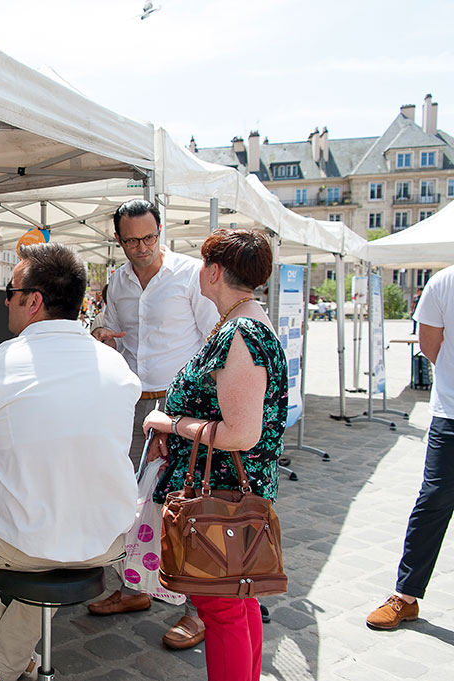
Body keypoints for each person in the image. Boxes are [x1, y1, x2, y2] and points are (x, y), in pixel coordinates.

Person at [0, 242, 140, 681]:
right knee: (48, 545)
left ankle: (5, 664)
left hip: (23, 539)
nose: (5, 301)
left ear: (33, 301)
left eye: (9, 292)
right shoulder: (119, 368)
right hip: (106, 535)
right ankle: (12, 660)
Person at [142, 228, 287, 681]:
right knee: (235, 602)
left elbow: (241, 434)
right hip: (226, 491)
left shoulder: (240, 334)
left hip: (219, 498)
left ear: (216, 271)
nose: (199, 272)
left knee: (220, 608)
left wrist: (172, 424)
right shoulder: (245, 323)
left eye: (204, 264)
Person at [87, 199, 219, 650]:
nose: (141, 248)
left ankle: (196, 611)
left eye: (148, 237)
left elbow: (213, 341)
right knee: (126, 496)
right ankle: (132, 587)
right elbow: (112, 336)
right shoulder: (117, 283)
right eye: (130, 240)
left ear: (161, 230)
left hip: (182, 407)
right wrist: (102, 339)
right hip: (132, 403)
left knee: (186, 506)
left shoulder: (189, 275)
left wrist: (190, 411)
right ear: (118, 239)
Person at [366, 266, 453, 630]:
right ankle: (406, 595)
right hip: (451, 413)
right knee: (433, 501)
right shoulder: (445, 281)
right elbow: (431, 345)